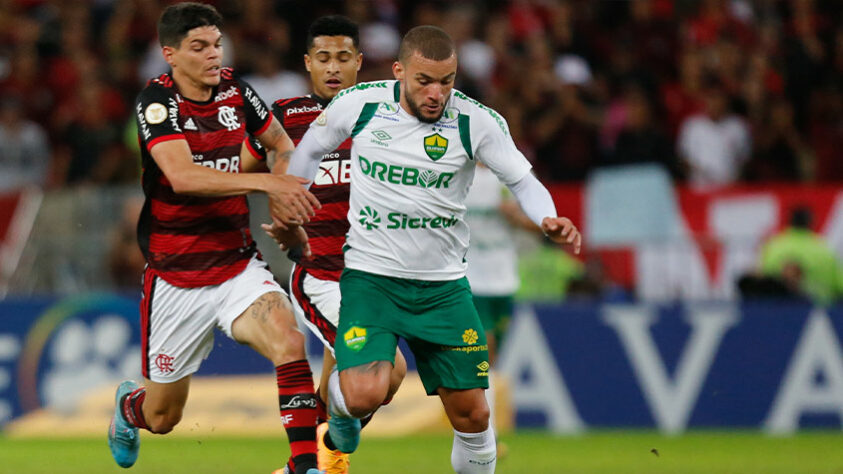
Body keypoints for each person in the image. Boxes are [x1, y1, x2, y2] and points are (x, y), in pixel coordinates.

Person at [273, 25, 582, 473]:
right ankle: (339, 415)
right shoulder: (359, 105)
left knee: (474, 414)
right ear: (399, 72)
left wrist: (546, 217)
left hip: (443, 288)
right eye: (424, 81)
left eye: (448, 80)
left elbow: (522, 181)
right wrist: (291, 204)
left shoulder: (478, 121)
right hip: (371, 280)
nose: (437, 93)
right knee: (364, 392)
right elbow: (310, 150)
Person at [106, 4, 323, 474]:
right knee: (163, 417)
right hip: (176, 276)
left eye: (217, 44)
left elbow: (281, 145)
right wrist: (268, 184)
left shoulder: (238, 92)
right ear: (171, 54)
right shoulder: (156, 102)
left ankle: (305, 465)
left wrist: (284, 189)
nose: (213, 55)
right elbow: (183, 177)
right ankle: (129, 407)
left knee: (288, 340)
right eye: (199, 47)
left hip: (237, 265)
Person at [245, 15, 407, 474]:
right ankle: (330, 441)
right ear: (307, 64)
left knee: (359, 382)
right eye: (322, 58)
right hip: (324, 273)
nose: (332, 68)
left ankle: (312, 462)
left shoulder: (389, 116)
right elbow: (233, 168)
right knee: (386, 371)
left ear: (359, 62)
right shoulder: (286, 118)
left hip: (380, 276)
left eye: (342, 58)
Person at [758, 207, 843, 306]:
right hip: (822, 312)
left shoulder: (772, 248)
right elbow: (840, 286)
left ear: (789, 222)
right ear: (811, 223)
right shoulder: (824, 250)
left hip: (774, 313)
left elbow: (763, 285)